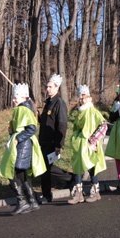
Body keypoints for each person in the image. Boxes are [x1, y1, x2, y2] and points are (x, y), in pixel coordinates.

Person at [0, 83, 46, 214]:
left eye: (16, 97)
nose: (14, 100)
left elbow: (31, 128)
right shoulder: (21, 109)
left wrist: (18, 138)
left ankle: (23, 201)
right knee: (22, 174)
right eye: (14, 97)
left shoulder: (23, 109)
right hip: (21, 145)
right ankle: (32, 201)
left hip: (22, 146)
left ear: (24, 97)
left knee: (15, 173)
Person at [67, 85, 108, 204]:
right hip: (79, 145)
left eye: (84, 98)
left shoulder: (93, 112)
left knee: (92, 167)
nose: (82, 100)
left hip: (89, 144)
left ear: (89, 98)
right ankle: (79, 194)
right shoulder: (80, 113)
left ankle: (96, 191)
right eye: (80, 98)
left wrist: (94, 140)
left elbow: (103, 125)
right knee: (78, 167)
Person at [38, 74, 68, 204]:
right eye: (47, 86)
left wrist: (59, 145)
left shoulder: (59, 103)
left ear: (57, 88)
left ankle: (47, 195)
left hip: (52, 141)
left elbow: (62, 124)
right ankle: (70, 178)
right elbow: (47, 121)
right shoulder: (48, 103)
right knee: (47, 168)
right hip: (44, 140)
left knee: (45, 169)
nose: (48, 89)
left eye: (50, 87)